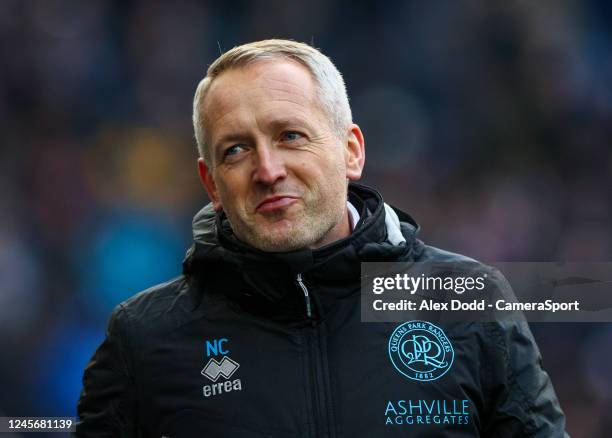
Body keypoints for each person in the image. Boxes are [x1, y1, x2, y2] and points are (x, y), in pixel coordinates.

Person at [75, 39, 567, 437]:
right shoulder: (144, 340)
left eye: (290, 135)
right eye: (236, 150)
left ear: (351, 151)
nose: (267, 170)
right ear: (211, 185)